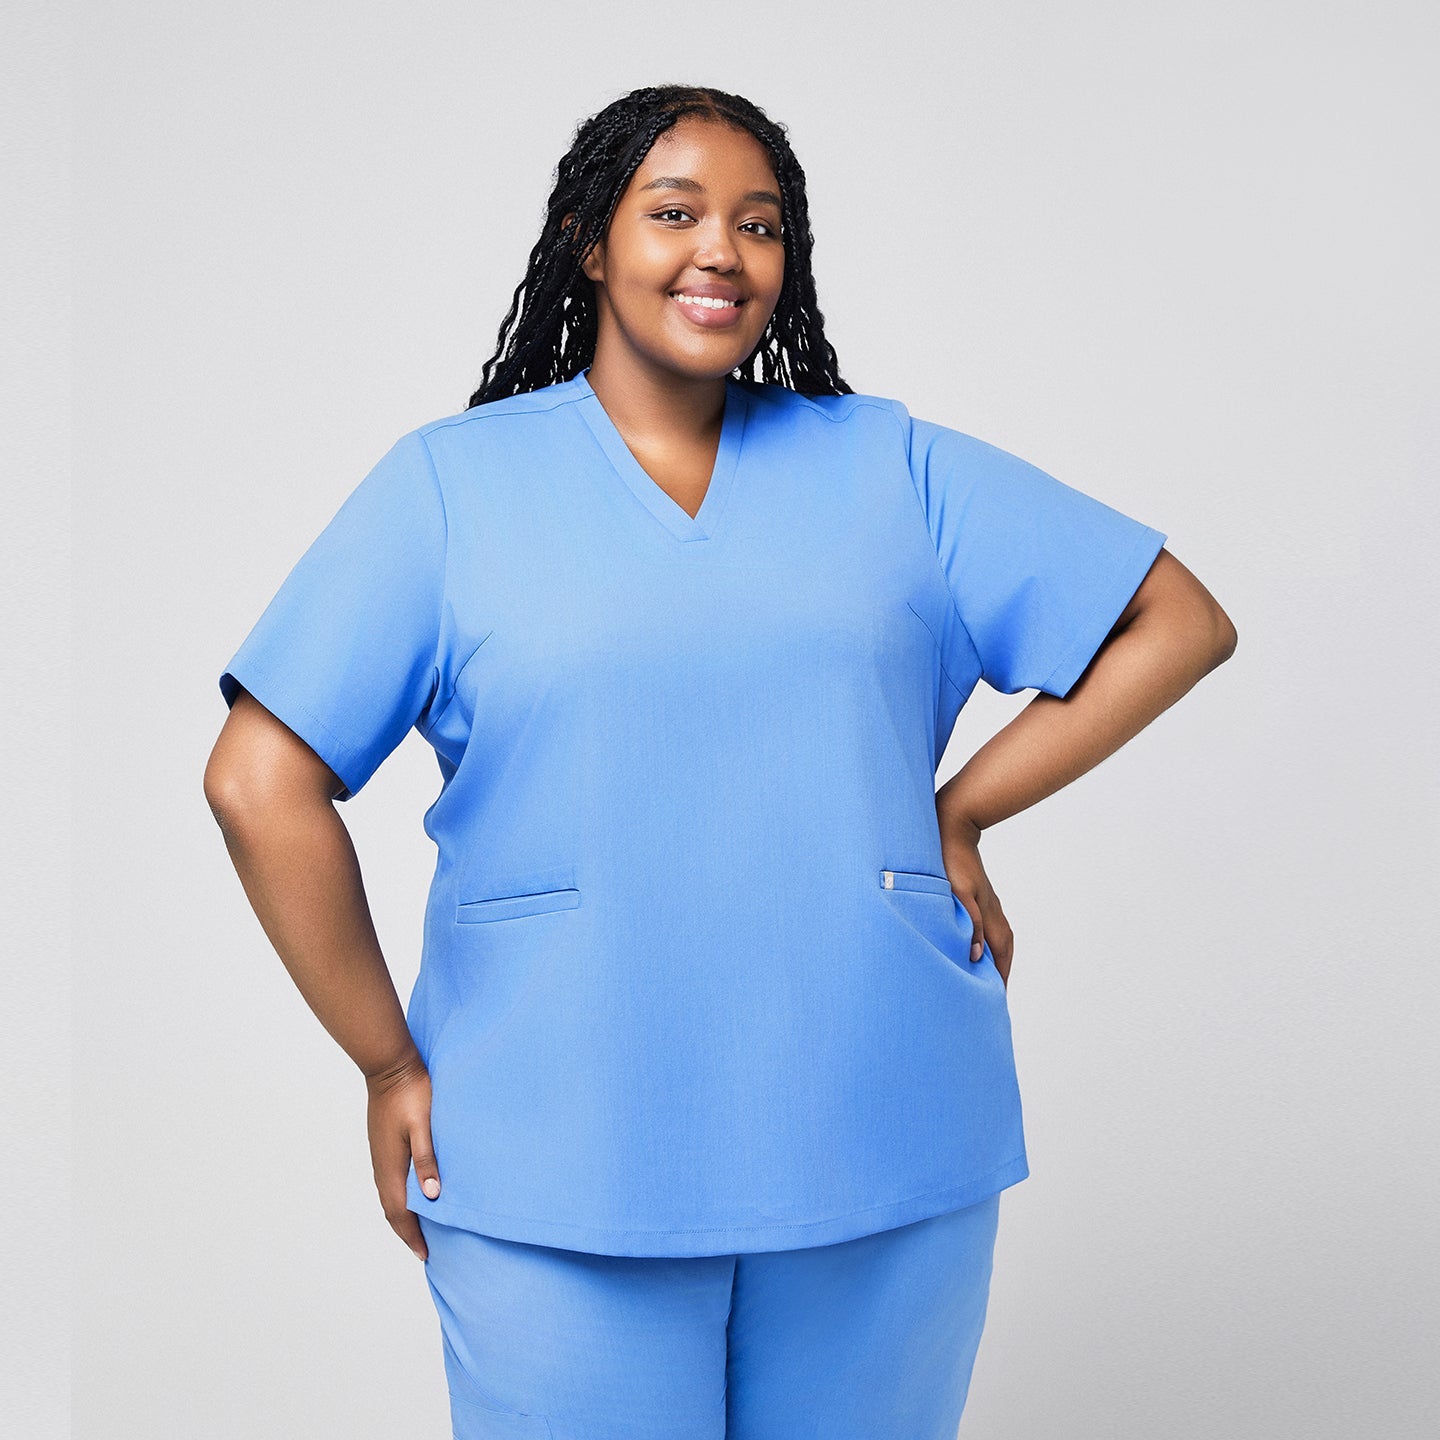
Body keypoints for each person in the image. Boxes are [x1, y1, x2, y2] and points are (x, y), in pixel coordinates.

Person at [204, 83, 1236, 1440]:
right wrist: (389, 1066)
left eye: (761, 226)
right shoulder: (453, 488)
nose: (722, 252)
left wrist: (962, 809)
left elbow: (1179, 621)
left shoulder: (889, 467)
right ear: (588, 239)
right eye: (674, 212)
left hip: (881, 1127)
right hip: (557, 1146)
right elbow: (256, 779)